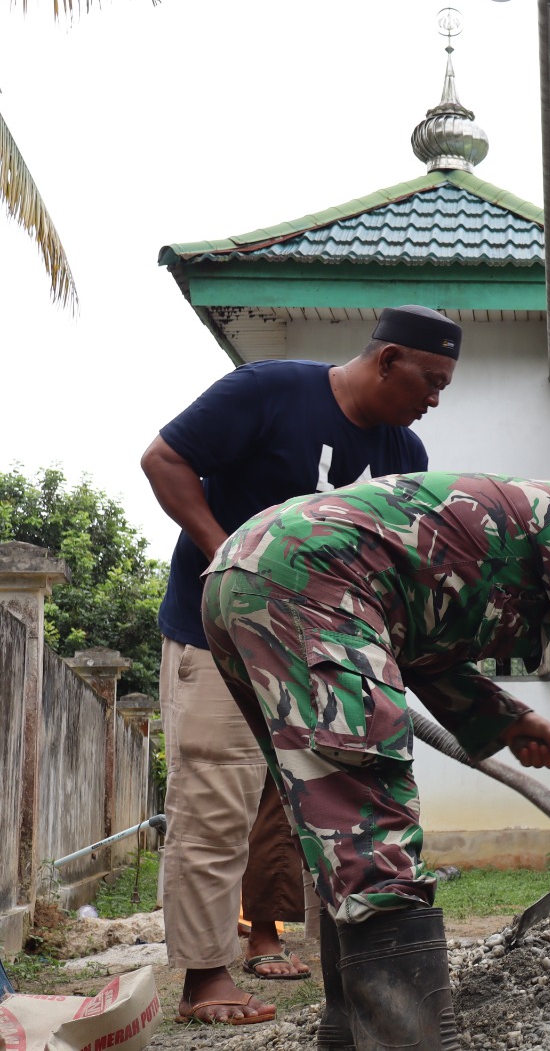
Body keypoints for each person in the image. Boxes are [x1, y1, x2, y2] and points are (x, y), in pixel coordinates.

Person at [202, 472, 550, 1050]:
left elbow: (427, 651)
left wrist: (506, 718)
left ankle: (349, 1036)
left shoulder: (508, 527)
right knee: (368, 824)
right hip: (313, 580)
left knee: (333, 826)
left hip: (247, 576)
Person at [141, 305, 459, 1026]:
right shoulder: (268, 391)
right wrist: (233, 560)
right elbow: (163, 459)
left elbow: (389, 568)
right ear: (387, 361)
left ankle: (351, 970)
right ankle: (205, 977)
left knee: (336, 811)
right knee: (215, 805)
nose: (435, 398)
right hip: (214, 636)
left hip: (319, 658)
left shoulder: (404, 457)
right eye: (430, 379)